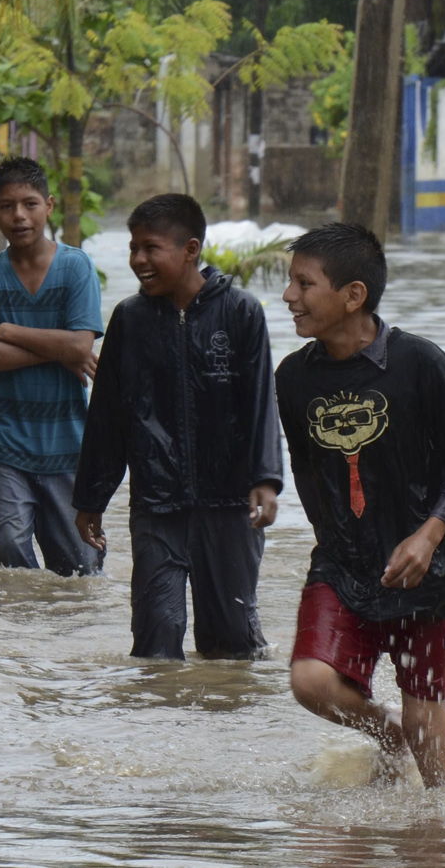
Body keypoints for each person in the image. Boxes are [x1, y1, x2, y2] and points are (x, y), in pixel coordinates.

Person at [275, 222, 445, 788]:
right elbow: (306, 469)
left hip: (427, 568)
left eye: (303, 283)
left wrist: (428, 535)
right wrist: (337, 543)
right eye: (289, 282)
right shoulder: (293, 377)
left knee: (427, 724)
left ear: (353, 295)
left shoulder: (422, 364)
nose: (289, 296)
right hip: (342, 562)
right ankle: (385, 733)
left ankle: (444, 836)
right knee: (311, 682)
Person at [73, 193, 283, 659]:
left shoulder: (241, 312)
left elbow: (260, 405)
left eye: (150, 248)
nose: (138, 260)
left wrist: (266, 479)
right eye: (133, 249)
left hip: (229, 506)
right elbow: (108, 417)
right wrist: (91, 498)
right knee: (155, 638)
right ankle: (155, 724)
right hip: (156, 504)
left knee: (231, 646)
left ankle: (227, 726)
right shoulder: (130, 320)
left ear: (190, 250)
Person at [0, 156, 105, 577]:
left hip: (68, 439)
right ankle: (16, 638)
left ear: (49, 205)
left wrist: (9, 331)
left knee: (79, 568)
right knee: (11, 554)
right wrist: (60, 349)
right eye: (7, 206)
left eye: (29, 204)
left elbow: (82, 343)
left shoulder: (76, 267)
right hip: (5, 438)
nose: (19, 216)